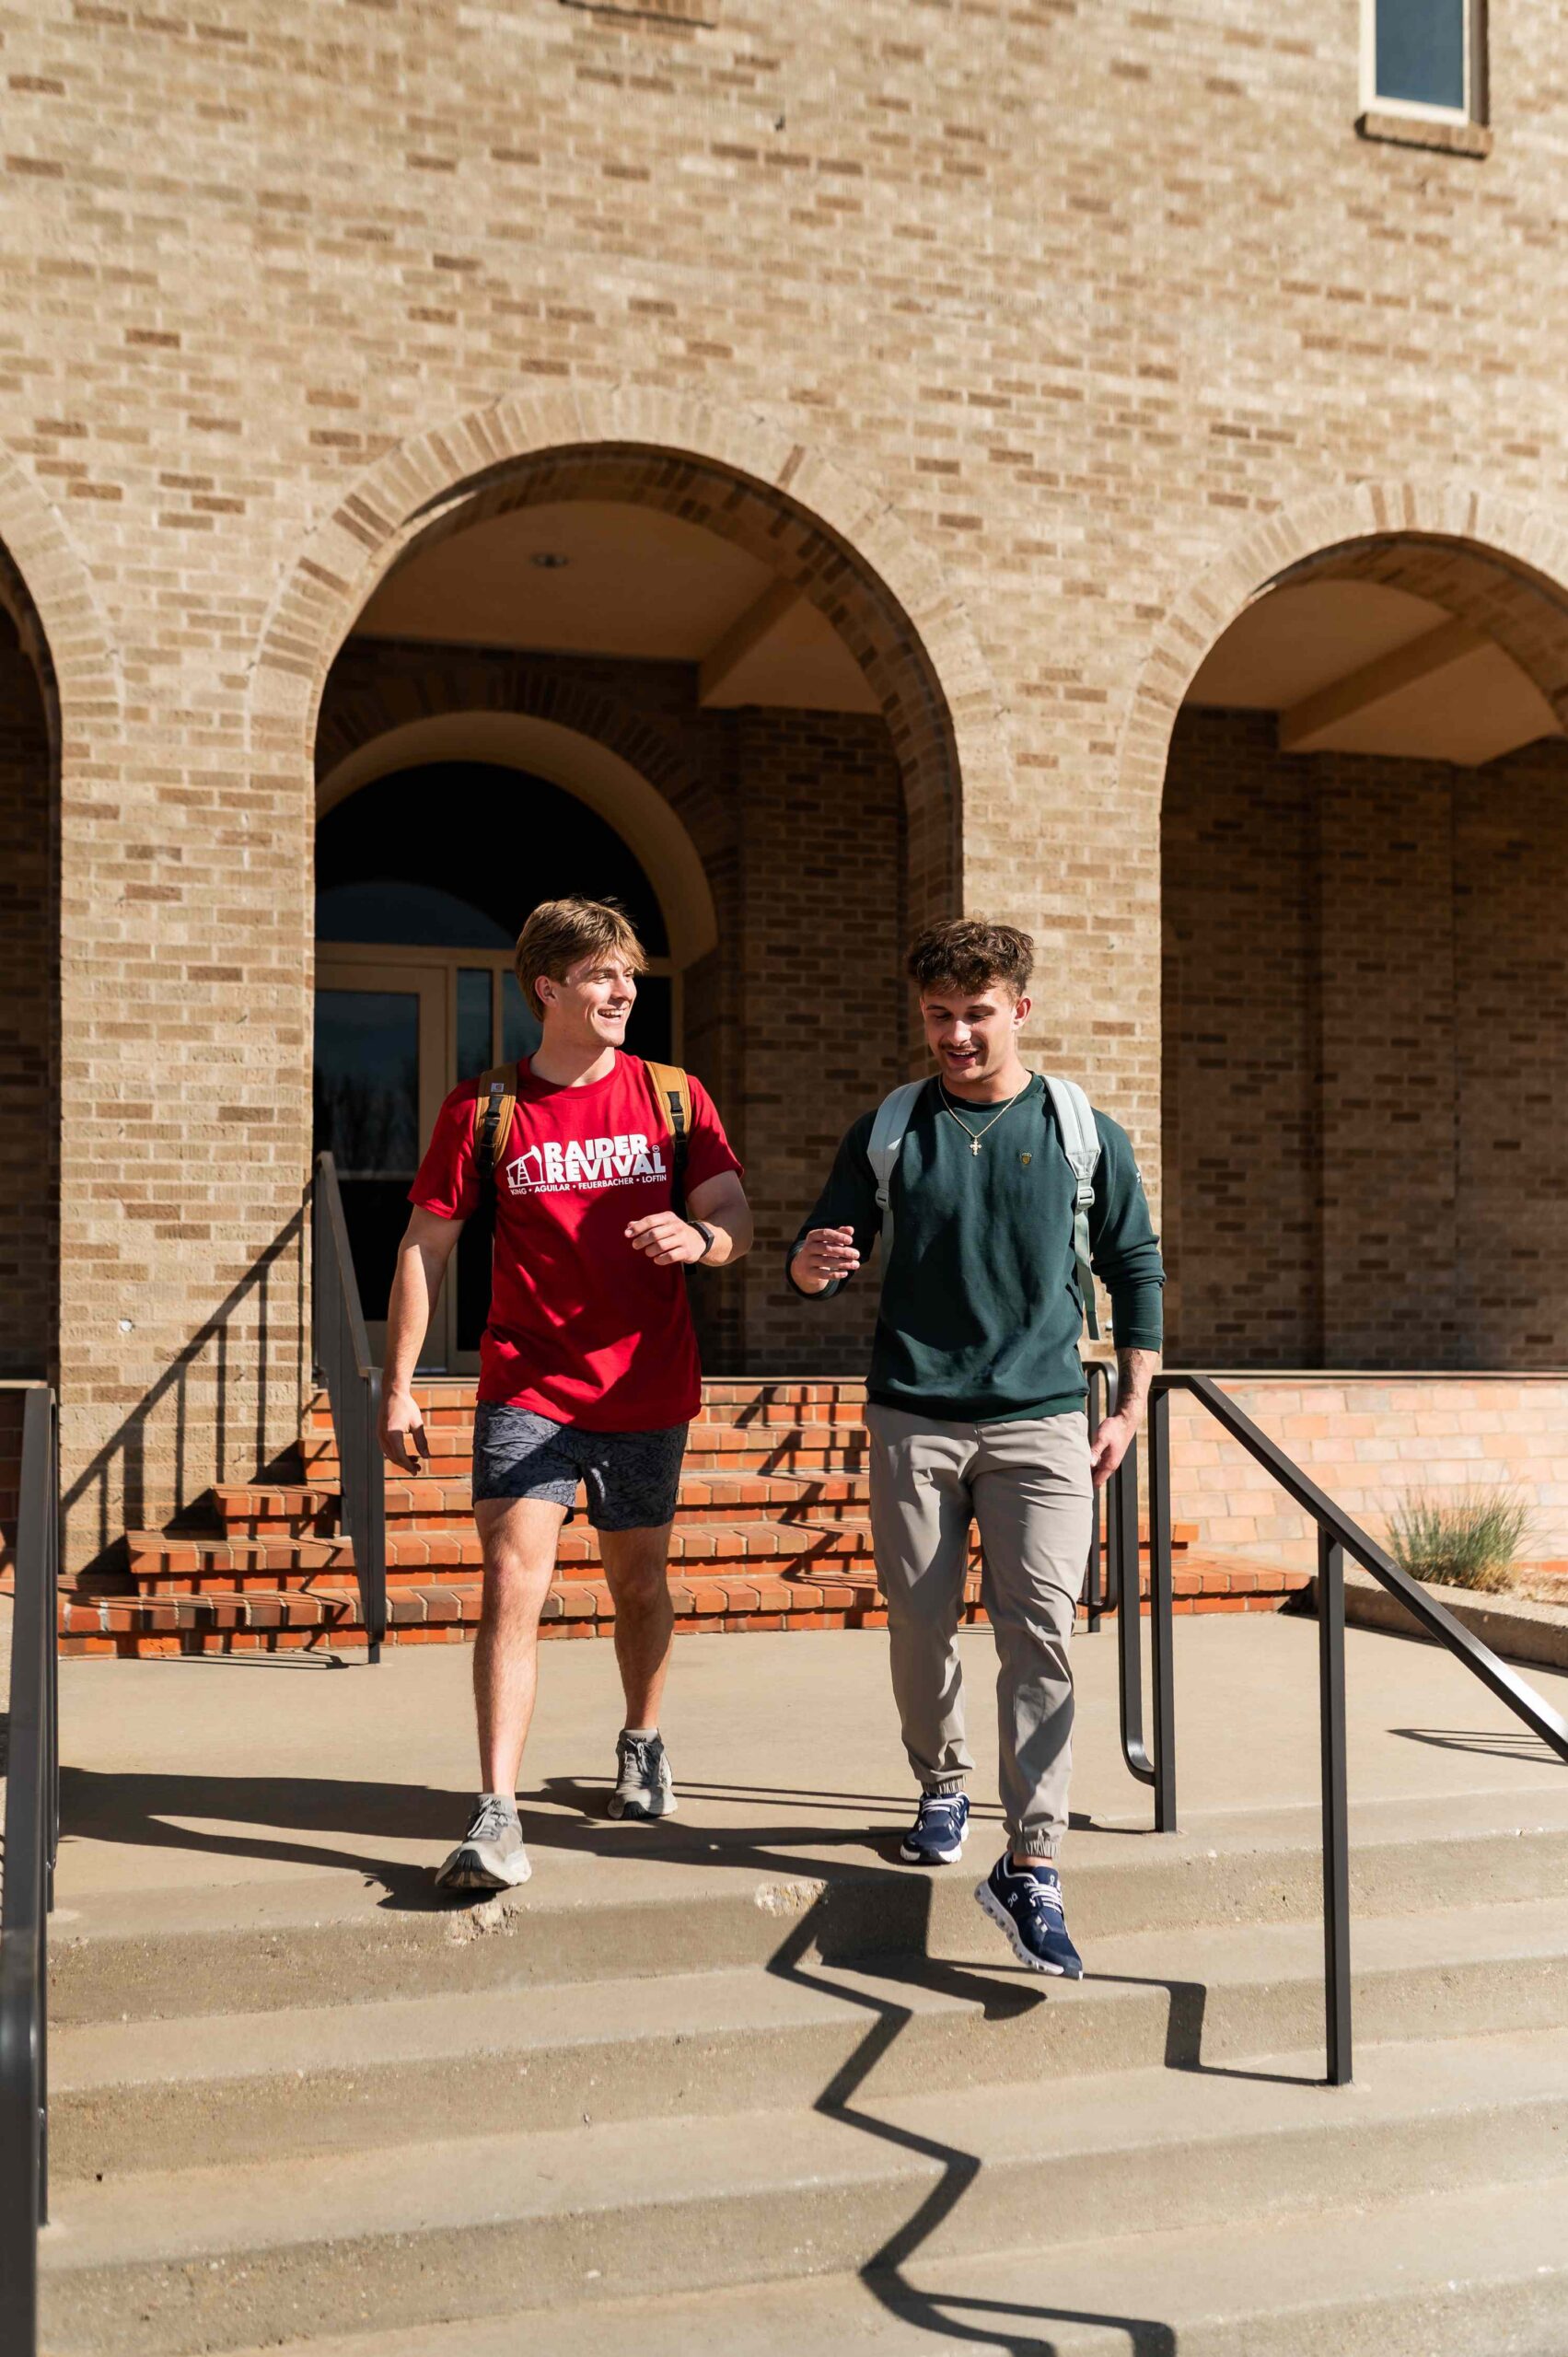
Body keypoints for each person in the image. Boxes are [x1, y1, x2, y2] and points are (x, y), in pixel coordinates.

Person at [787, 919, 1164, 1977]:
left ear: (1019, 1011)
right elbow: (818, 1259)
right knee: (918, 1626)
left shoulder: (1082, 1129)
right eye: (938, 1016)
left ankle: (1032, 1861)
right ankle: (941, 1782)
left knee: (1039, 1630)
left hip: (1043, 1417)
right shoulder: (891, 1126)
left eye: (975, 1013)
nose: (955, 1034)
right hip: (912, 1412)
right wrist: (813, 1264)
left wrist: (1128, 1402)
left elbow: (1134, 1265)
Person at [381, 896, 752, 1891]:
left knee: (638, 1583)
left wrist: (704, 1239)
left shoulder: (673, 1096)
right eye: (600, 975)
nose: (623, 989)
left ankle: (641, 1736)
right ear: (548, 988)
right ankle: (496, 1811)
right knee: (513, 1581)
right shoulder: (484, 1107)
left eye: (628, 973)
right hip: (526, 1385)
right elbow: (424, 1243)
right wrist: (401, 1384)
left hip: (644, 1384)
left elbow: (731, 1209)